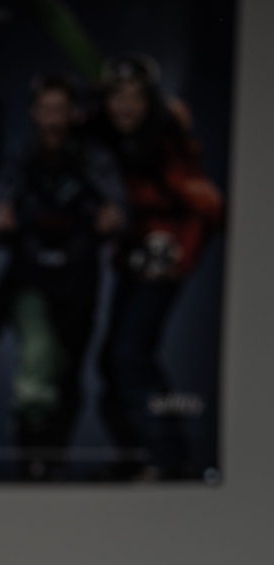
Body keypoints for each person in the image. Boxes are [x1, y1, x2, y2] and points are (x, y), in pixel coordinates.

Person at [85, 52, 225, 479]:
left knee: (129, 356)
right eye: (117, 96)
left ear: (150, 103)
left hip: (161, 262)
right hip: (132, 261)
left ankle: (166, 459)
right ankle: (136, 455)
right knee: (113, 360)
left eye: (135, 97)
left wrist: (178, 253)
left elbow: (210, 206)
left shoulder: (166, 145)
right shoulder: (108, 138)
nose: (125, 105)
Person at [0, 73, 126, 479]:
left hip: (78, 284)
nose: (53, 120)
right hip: (29, 279)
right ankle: (32, 462)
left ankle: (52, 460)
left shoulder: (93, 157)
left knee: (68, 376)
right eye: (46, 110)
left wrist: (113, 215)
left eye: (60, 110)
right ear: (34, 112)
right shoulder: (20, 157)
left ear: (73, 113)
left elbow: (118, 203)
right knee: (37, 362)